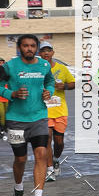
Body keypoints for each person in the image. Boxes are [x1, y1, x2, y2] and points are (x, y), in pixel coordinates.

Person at [0, 34, 55, 196]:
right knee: (20, 159)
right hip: (16, 119)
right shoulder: (9, 66)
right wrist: (11, 94)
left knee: (41, 154)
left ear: (36, 48)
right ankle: (18, 188)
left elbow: (50, 81)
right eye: (26, 46)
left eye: (33, 46)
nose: (29, 49)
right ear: (19, 48)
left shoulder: (44, 65)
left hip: (39, 117)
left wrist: (48, 91)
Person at [38, 44, 75, 183]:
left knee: (59, 142)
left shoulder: (62, 68)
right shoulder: (36, 69)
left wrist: (64, 86)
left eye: (48, 50)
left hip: (59, 110)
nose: (46, 53)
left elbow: (72, 83)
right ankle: (49, 170)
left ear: (53, 52)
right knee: (47, 139)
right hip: (43, 110)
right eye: (43, 51)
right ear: (39, 53)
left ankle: (55, 159)